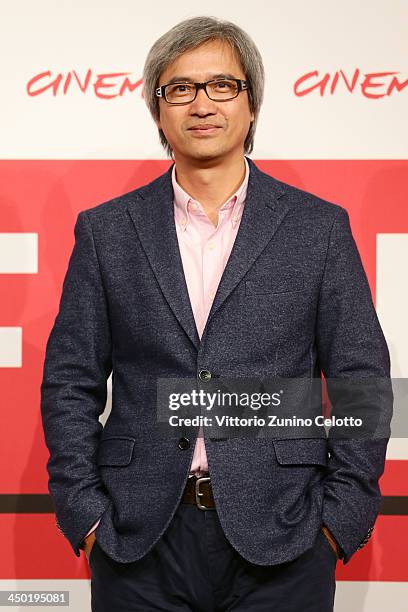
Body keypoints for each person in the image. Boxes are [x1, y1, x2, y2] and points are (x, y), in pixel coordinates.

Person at [40, 15, 392, 612]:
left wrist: (338, 519)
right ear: (157, 111)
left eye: (222, 86)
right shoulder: (106, 231)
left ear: (252, 105)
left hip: (286, 538)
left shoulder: (318, 228)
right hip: (139, 536)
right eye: (180, 89)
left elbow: (363, 382)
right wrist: (86, 510)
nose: (201, 104)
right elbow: (69, 379)